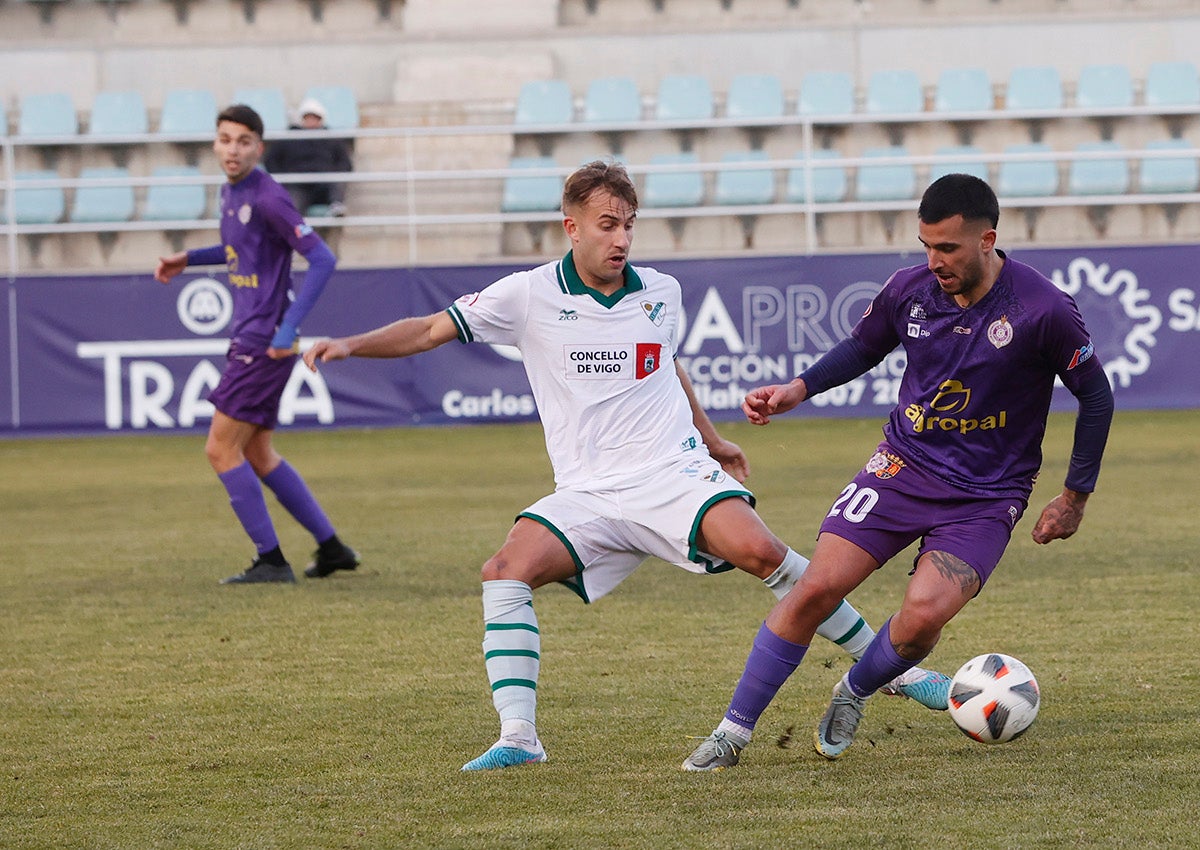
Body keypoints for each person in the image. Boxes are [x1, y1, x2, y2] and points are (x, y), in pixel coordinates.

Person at [301, 160, 936, 771]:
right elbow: (429, 331)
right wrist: (351, 345)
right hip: (589, 493)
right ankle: (519, 735)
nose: (622, 237)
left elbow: (665, 365)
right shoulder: (526, 294)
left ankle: (895, 672)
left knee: (764, 553)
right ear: (571, 226)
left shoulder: (662, 291)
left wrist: (712, 441)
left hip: (670, 472)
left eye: (629, 223)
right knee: (504, 571)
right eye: (608, 223)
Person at [682, 173, 1114, 771]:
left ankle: (854, 690)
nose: (934, 260)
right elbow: (863, 347)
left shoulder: (1041, 309)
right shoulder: (910, 290)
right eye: (926, 246)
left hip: (987, 497)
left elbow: (1096, 396)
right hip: (901, 468)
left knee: (922, 620)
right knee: (815, 589)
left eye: (948, 249)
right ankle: (730, 736)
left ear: (987, 240)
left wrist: (1074, 497)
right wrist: (796, 390)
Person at [154, 103, 359, 585]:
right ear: (215, 144)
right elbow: (238, 251)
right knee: (258, 453)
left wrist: (288, 329)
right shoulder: (232, 193)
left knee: (220, 449)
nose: (233, 149)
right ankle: (332, 549)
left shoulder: (267, 196)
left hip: (262, 342)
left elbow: (322, 258)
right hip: (257, 337)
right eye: (226, 139)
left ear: (258, 147)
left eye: (243, 141)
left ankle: (271, 561)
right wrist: (190, 257)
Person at [262, 97, 352, 217]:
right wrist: (285, 178)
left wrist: (332, 174)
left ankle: (336, 205)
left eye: (315, 118)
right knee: (293, 208)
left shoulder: (332, 139)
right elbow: (271, 160)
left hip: (325, 184)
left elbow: (345, 162)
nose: (311, 121)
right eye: (308, 117)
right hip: (297, 185)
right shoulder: (289, 138)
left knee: (336, 183)